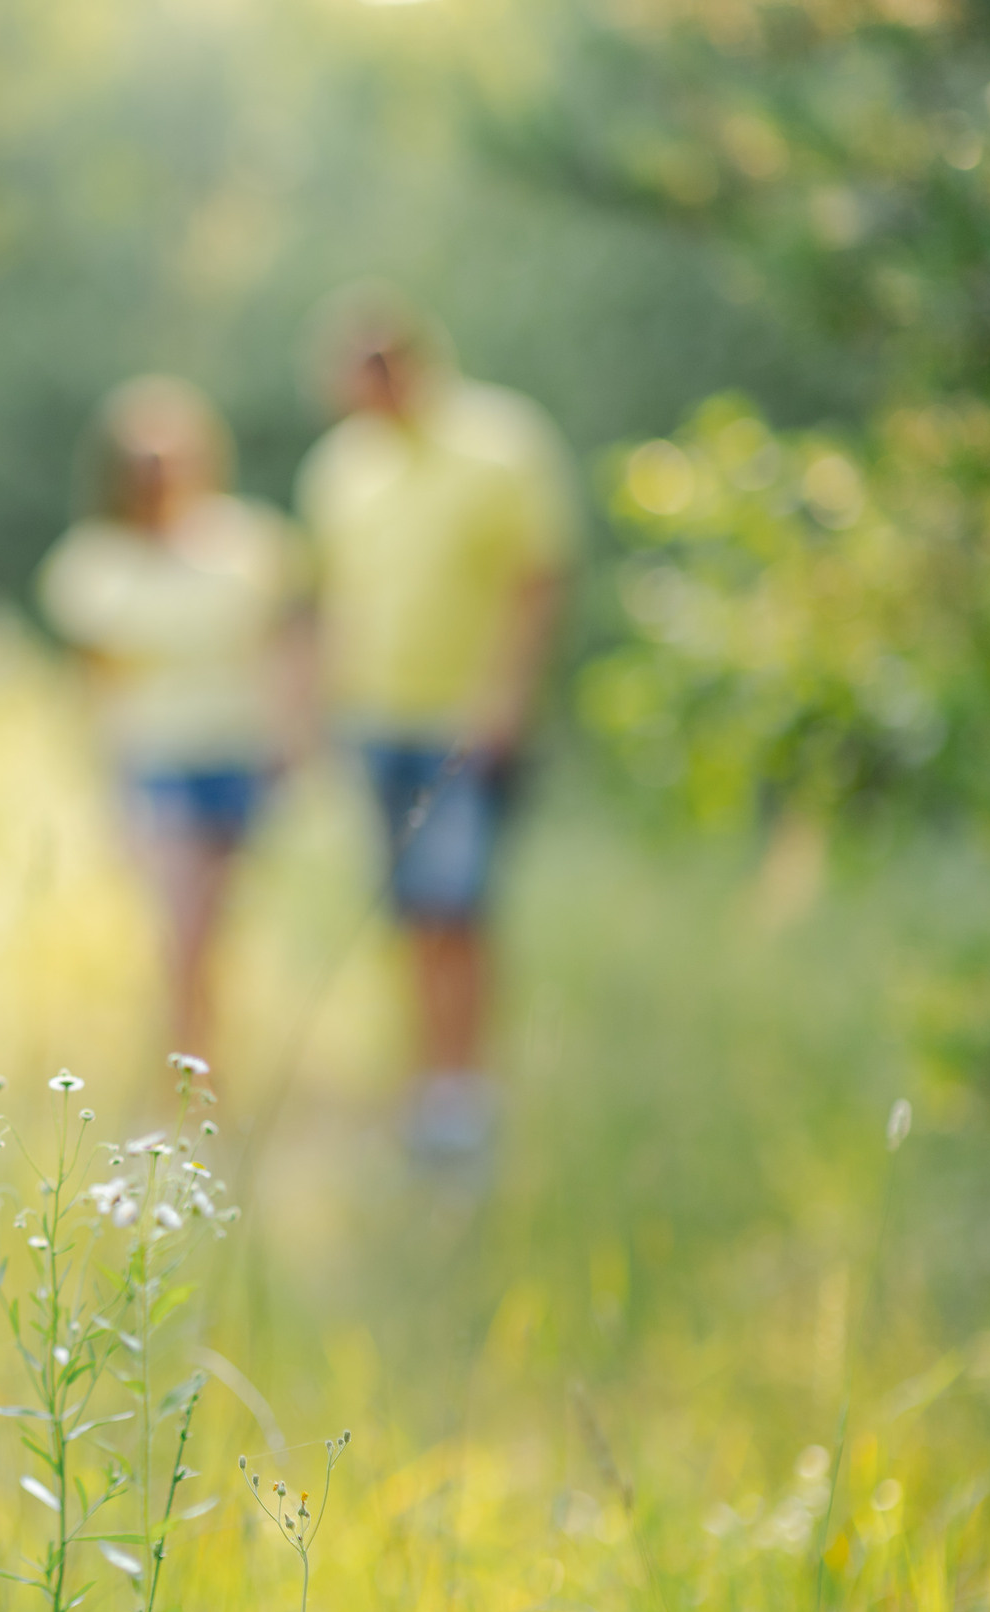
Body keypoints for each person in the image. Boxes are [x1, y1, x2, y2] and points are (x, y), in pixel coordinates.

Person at [295, 285, 578, 1169]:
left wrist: (507, 698)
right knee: (408, 912)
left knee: (457, 905)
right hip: (374, 722)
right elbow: (333, 599)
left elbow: (538, 579)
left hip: (466, 725)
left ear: (404, 365)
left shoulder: (501, 442)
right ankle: (426, 1083)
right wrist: (318, 714)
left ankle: (462, 1094)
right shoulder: (339, 467)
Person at [39, 376, 312, 1058]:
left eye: (170, 459)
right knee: (181, 932)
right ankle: (186, 1090)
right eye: (142, 464)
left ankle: (206, 1073)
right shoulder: (94, 563)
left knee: (216, 935)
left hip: (243, 757)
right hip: (156, 761)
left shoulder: (250, 544)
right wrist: (106, 787)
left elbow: (288, 646)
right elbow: (92, 687)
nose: (158, 476)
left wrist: (297, 739)